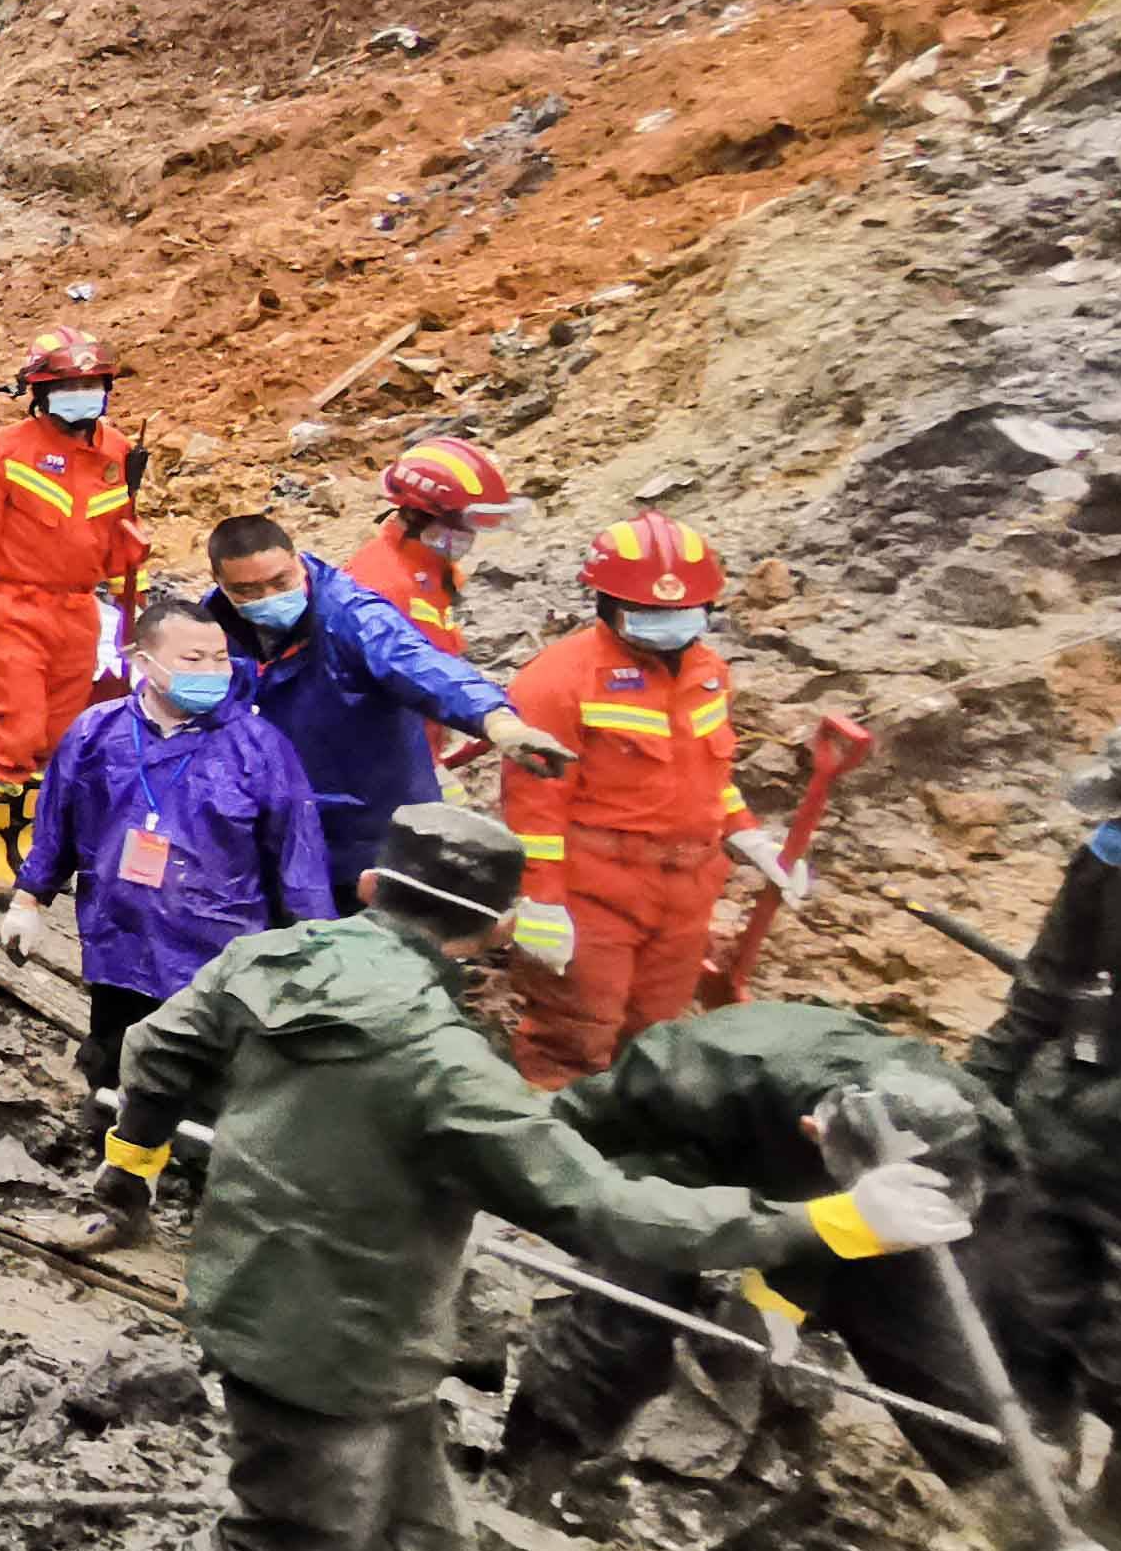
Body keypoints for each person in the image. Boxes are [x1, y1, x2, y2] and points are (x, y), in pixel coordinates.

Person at [96, 803, 975, 1551]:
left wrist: (127, 1169)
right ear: (499, 928)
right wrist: (830, 1221)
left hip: (280, 1303)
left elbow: (153, 1049)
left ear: (370, 887)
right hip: (334, 1355)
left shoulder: (266, 960)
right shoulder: (450, 1067)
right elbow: (604, 1212)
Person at [496, 1000, 1012, 1524]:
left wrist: (776, 1302)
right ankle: (538, 1476)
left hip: (872, 1206)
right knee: (625, 1318)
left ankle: (1015, 1517)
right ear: (814, 1131)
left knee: (934, 1354)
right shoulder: (687, 1072)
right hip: (688, 1168)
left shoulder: (974, 1124)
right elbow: (559, 1138)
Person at [973, 708, 1121, 1551]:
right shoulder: (1109, 864)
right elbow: (1044, 986)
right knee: (1024, 1316)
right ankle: (1038, 1512)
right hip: (1065, 1135)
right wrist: (973, 1097)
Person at [13, 605, 334, 1114]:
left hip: (217, 952)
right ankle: (110, 1155)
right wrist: (29, 900)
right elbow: (57, 823)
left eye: (219, 658)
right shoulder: (96, 733)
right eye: (192, 658)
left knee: (200, 1081)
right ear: (144, 660)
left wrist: (316, 947)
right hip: (119, 936)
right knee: (114, 1064)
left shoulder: (259, 749)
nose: (210, 671)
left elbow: (299, 857)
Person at [499, 516, 773, 1091]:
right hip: (595, 888)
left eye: (686, 612)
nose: (671, 626)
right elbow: (535, 804)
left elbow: (709, 772)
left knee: (656, 1033)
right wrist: (542, 901)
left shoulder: (709, 673)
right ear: (605, 603)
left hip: (687, 887)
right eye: (651, 613)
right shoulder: (557, 681)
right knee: (575, 1032)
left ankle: (631, 1144)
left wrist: (746, 831)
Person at [205, 512, 537, 907]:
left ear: (297, 562)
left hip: (376, 825)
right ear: (222, 586)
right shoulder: (212, 629)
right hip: (284, 828)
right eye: (248, 590)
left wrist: (494, 718)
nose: (268, 599)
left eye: (280, 582)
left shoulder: (349, 614)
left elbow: (419, 665)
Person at [0, 330, 147, 903]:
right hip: (10, 608)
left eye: (91, 385)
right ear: (40, 392)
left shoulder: (117, 454)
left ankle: (33, 835)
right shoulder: (1, 454)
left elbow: (120, 537)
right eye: (68, 386)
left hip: (78, 611)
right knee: (14, 729)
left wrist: (137, 605)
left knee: (58, 737)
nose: (82, 396)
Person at [350, 436, 521, 685]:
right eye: (468, 524)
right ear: (422, 516)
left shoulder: (432, 563)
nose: (472, 536)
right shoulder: (382, 587)